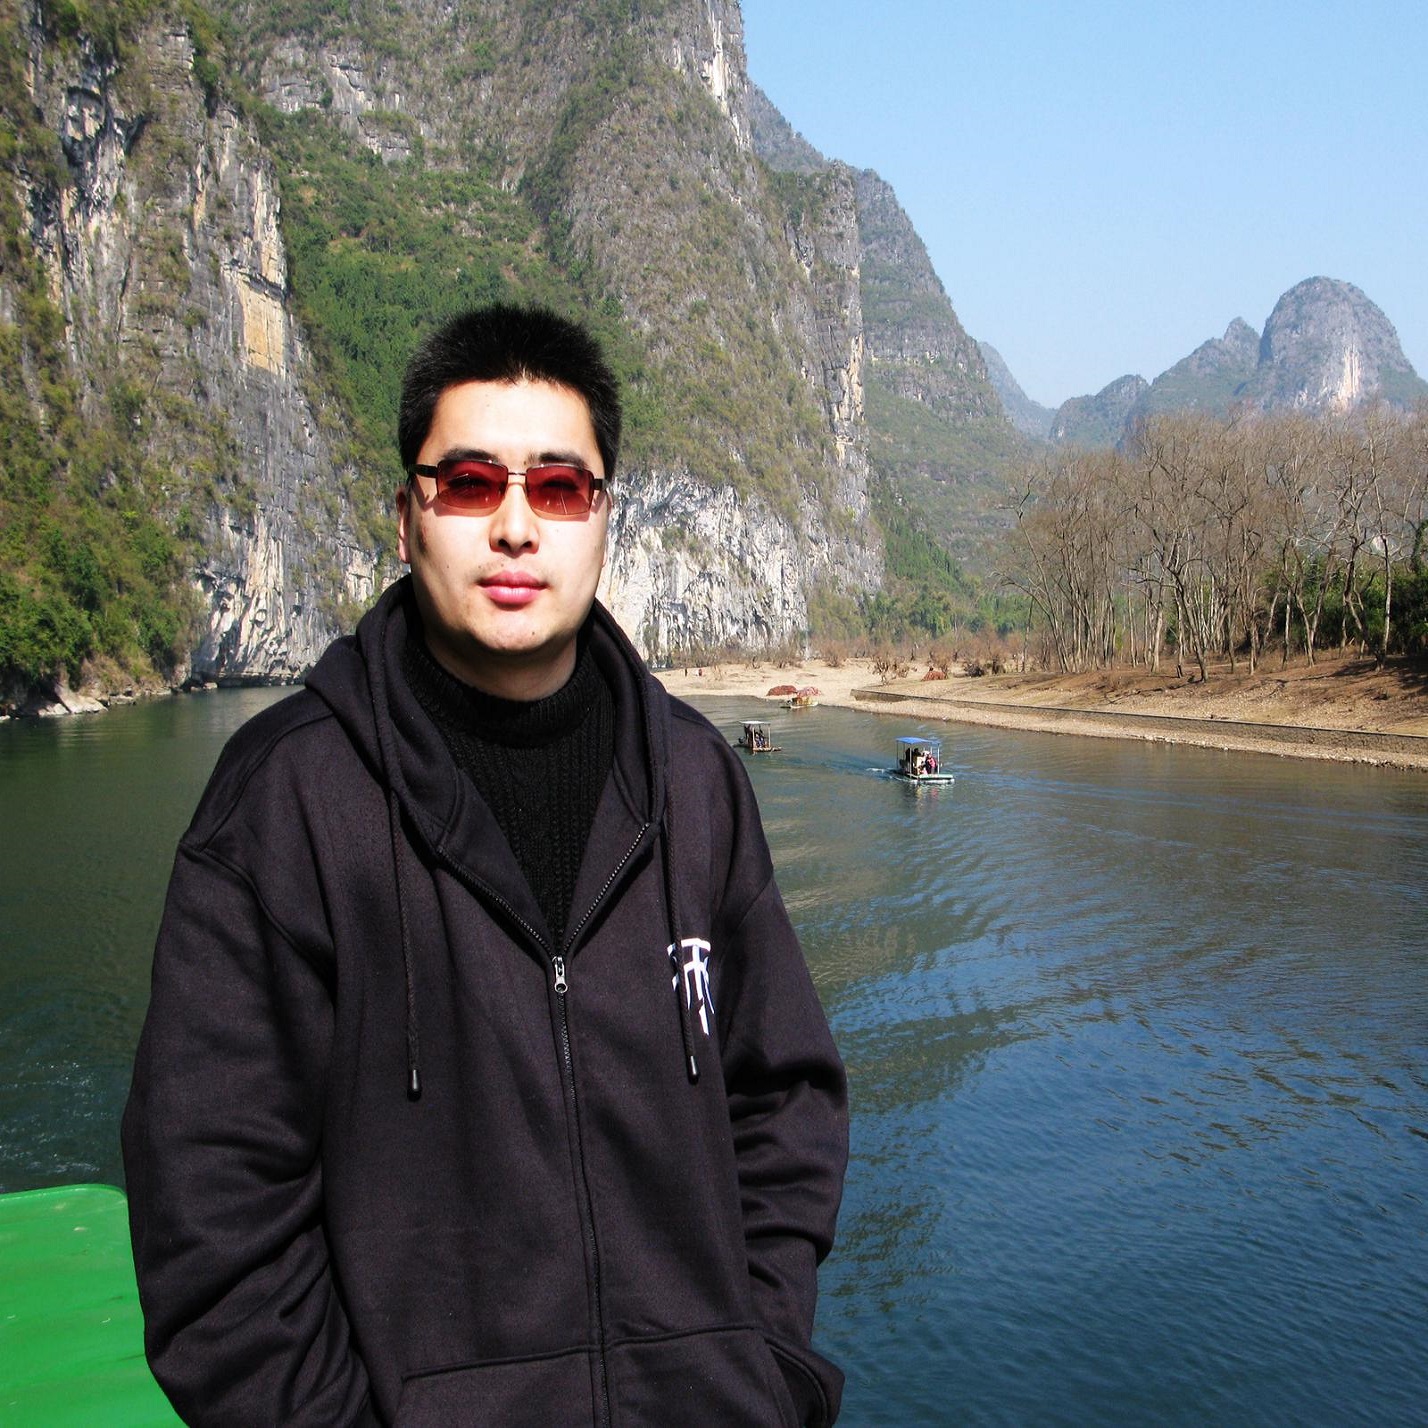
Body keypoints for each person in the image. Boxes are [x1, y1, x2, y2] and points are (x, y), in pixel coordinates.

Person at [121, 305, 849, 1426]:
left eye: (558, 488)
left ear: (604, 521)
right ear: (405, 517)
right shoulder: (288, 802)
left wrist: (763, 1370)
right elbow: (210, 1208)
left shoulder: (696, 784)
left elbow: (786, 1098)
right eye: (468, 483)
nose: (515, 527)